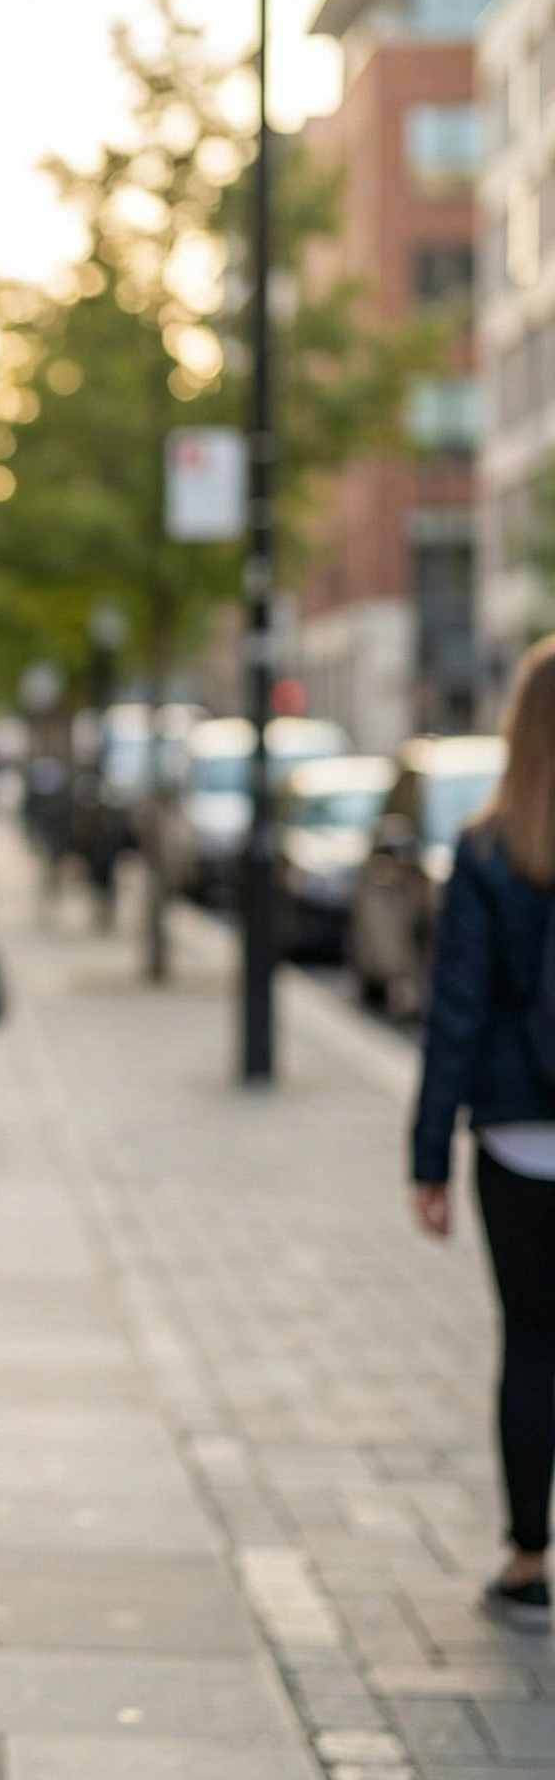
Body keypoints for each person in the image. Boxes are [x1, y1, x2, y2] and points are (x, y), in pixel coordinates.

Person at [412, 635, 555, 1633]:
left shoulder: (484, 848)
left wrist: (426, 1157)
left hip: (514, 1135)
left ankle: (523, 1553)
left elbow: (453, 1012)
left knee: (529, 1345)